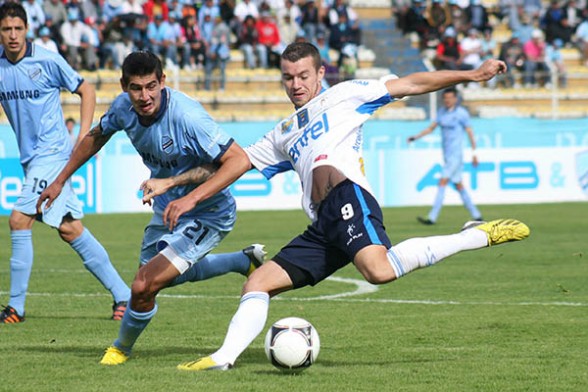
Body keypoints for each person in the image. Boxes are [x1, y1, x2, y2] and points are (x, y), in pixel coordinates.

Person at [139, 42, 530, 371]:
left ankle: (472, 237)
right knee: (257, 283)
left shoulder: (346, 95)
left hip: (348, 197)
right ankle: (223, 358)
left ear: (320, 73)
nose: (296, 85)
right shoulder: (282, 133)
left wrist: (472, 75)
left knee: (377, 271)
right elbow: (232, 163)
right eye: (288, 78)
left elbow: (411, 83)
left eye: (303, 76)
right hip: (322, 223)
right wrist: (176, 185)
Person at [37, 51, 266, 365]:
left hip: (209, 212)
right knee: (158, 279)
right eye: (136, 88)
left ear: (162, 82)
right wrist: (60, 179)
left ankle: (120, 348)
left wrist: (178, 188)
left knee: (144, 285)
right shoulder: (122, 108)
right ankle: (243, 261)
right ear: (123, 86)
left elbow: (238, 160)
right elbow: (96, 136)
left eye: (150, 86)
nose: (144, 96)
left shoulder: (187, 116)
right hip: (167, 207)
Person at [0, 2, 130, 324]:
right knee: (70, 230)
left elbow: (85, 89)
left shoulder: (46, 59)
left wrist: (83, 139)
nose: (13, 35)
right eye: (6, 29)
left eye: (18, 29)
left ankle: (15, 309)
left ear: (27, 29)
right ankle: (124, 296)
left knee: (19, 220)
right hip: (32, 160)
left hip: (54, 155)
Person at [407, 88, 483, 225]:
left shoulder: (461, 114)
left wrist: (474, 154)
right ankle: (477, 215)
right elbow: (431, 128)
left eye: (450, 98)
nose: (447, 100)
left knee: (442, 182)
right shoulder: (441, 112)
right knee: (459, 185)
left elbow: (470, 133)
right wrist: (415, 137)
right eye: (445, 98)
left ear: (455, 99)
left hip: (456, 155)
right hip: (447, 156)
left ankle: (432, 217)